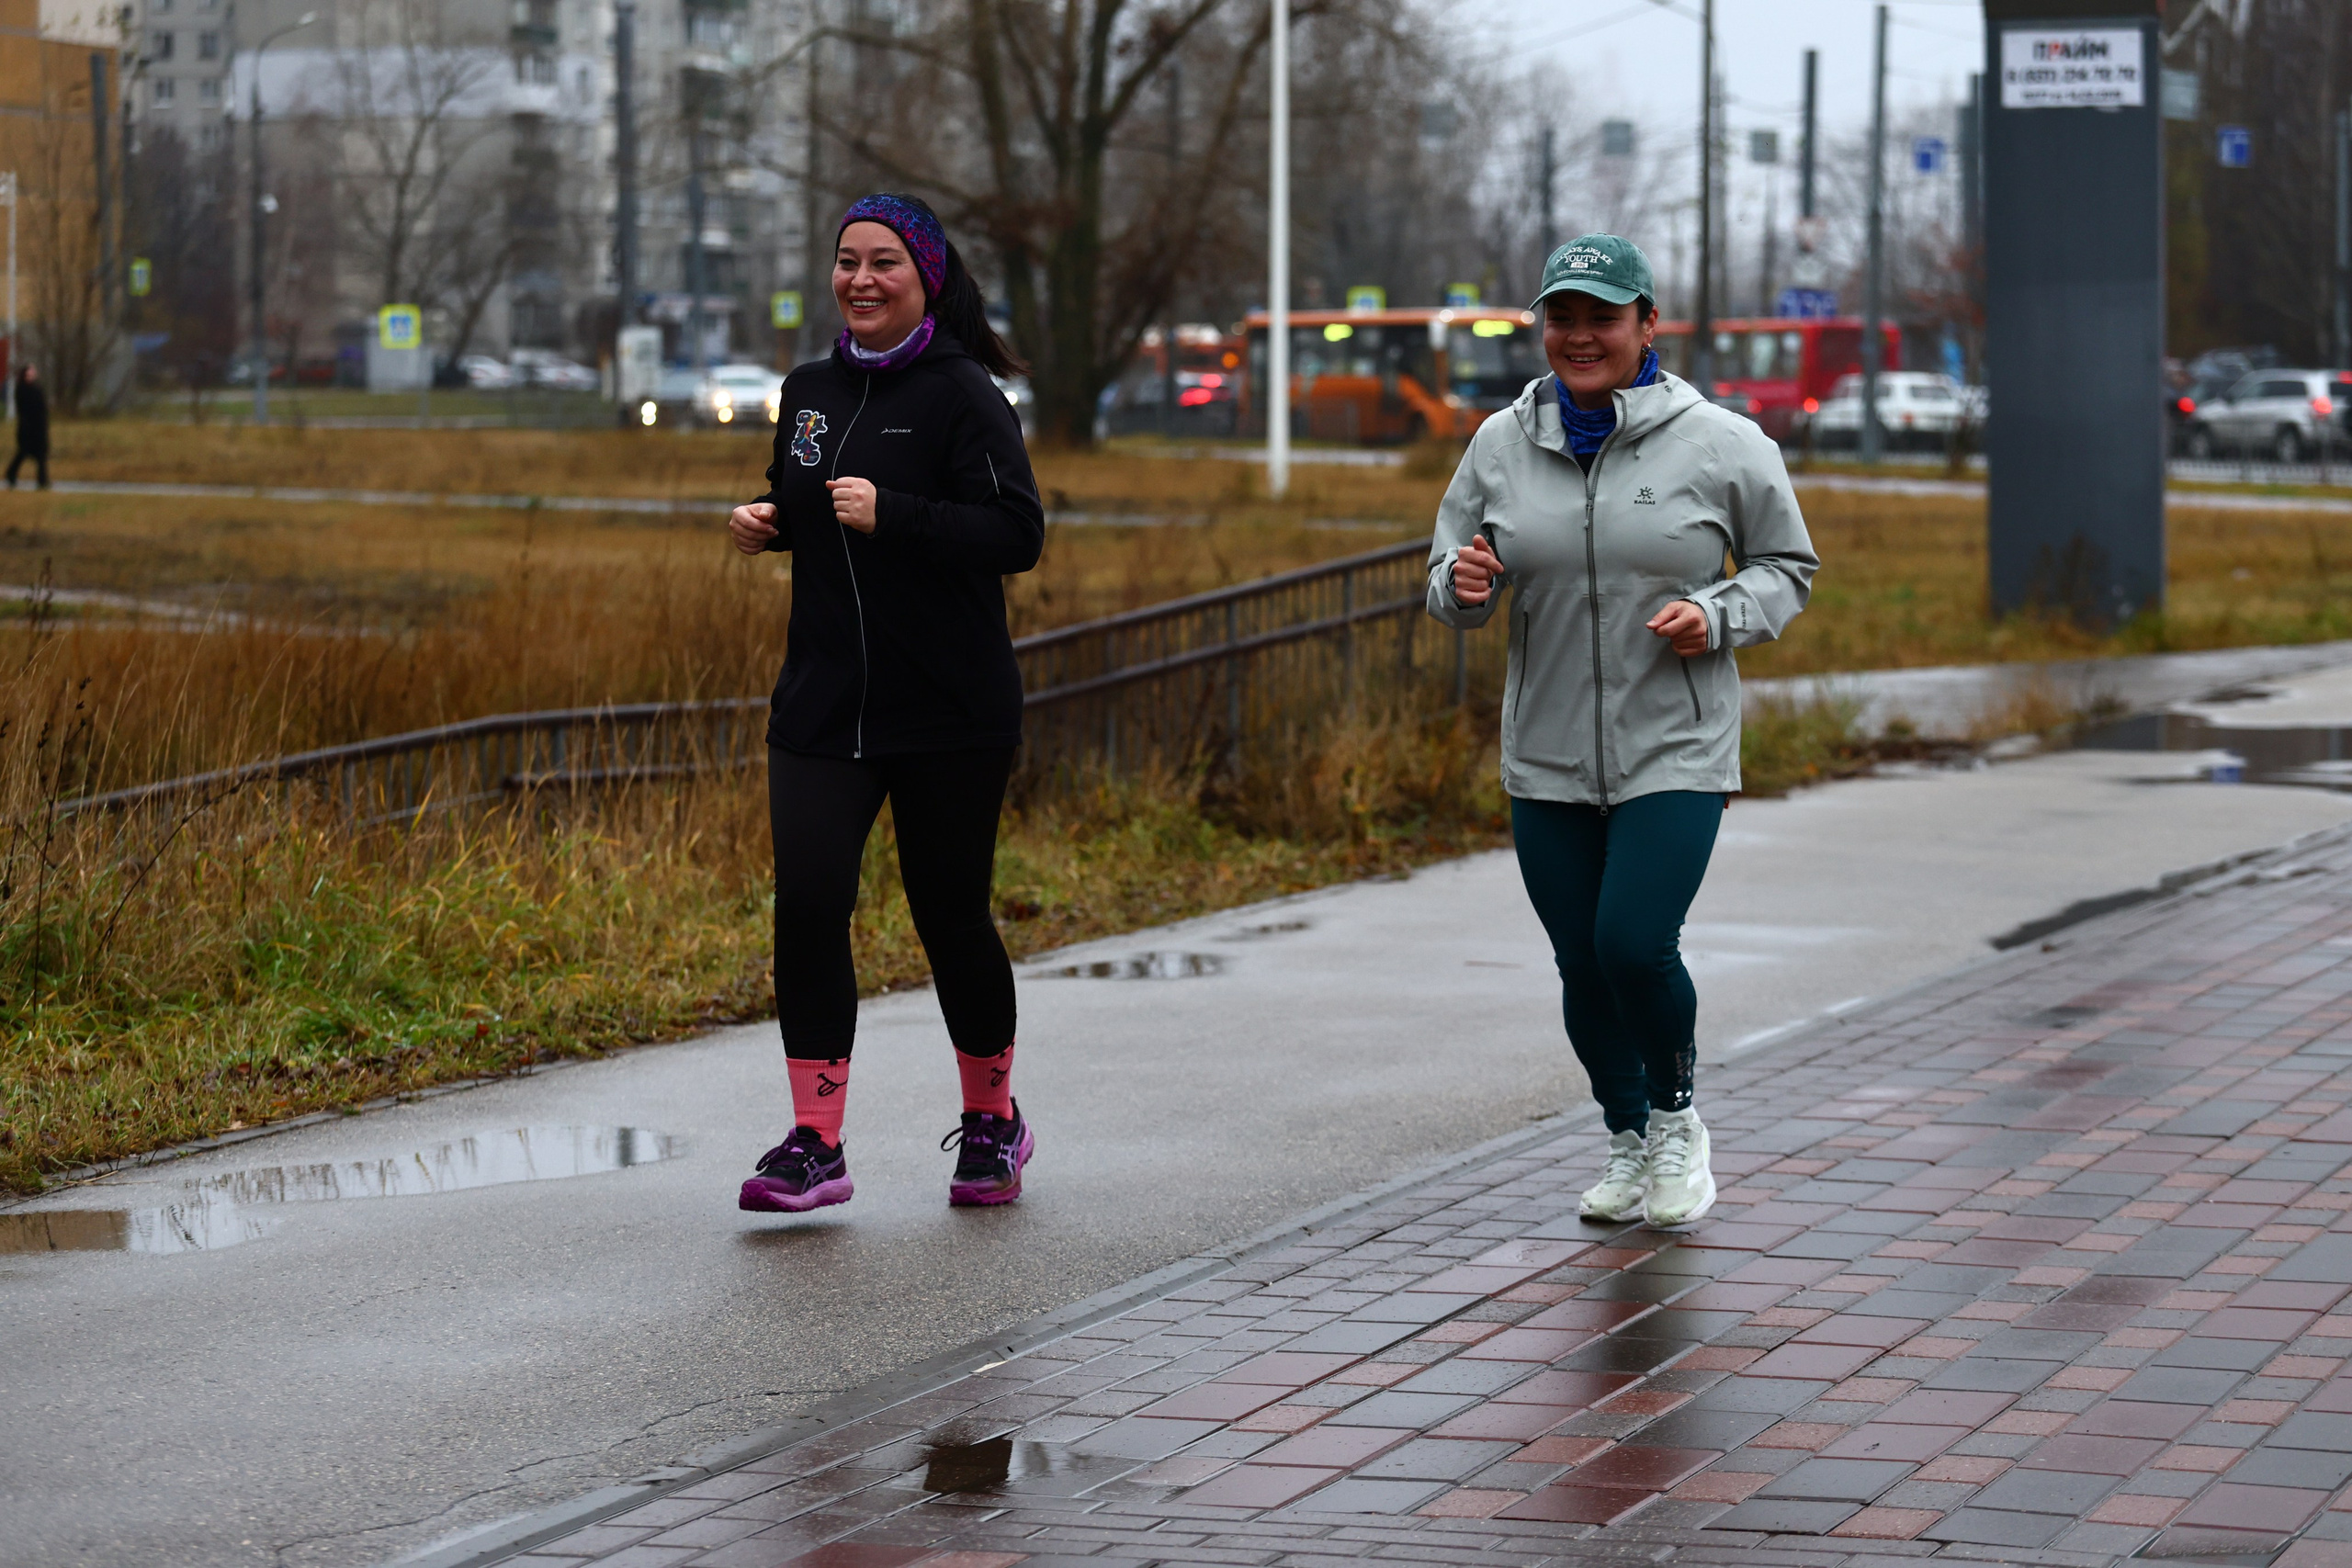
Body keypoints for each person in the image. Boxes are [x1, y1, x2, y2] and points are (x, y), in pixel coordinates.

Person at [1425, 235, 1818, 1228]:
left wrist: (1719, 614)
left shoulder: (1721, 443)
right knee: (1578, 961)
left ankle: (1679, 1123)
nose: (1580, 336)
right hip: (1546, 751)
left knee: (1633, 942)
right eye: (1563, 318)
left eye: (1603, 317)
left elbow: (1786, 567)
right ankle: (1626, 1135)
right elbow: (1449, 578)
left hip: (1672, 746)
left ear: (1648, 324)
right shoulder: (1498, 445)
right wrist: (1461, 588)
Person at [727, 194, 1045, 1214]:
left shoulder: (961, 393)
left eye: (884, 265)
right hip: (824, 707)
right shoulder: (808, 388)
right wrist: (769, 519)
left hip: (948, 709)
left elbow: (1016, 533)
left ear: (927, 280)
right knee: (809, 910)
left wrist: (895, 514)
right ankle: (815, 1144)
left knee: (949, 915)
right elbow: (805, 490)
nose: (860, 280)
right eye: (846, 261)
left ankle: (993, 1123)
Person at [9, 364, 49, 491]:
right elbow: (24, 410)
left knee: (41, 456)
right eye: (29, 374)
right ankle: (11, 474)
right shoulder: (21, 390)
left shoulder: (38, 389)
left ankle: (43, 481)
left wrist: (44, 425)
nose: (31, 376)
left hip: (39, 429)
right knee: (22, 453)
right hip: (27, 429)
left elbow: (42, 409)